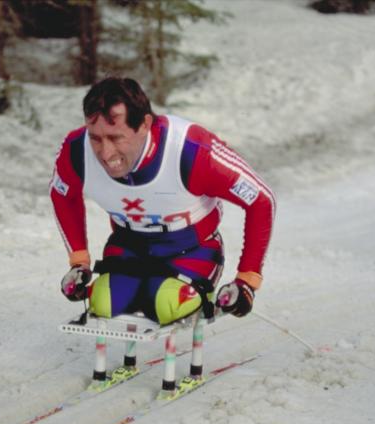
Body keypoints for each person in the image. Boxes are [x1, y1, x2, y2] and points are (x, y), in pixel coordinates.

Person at [50, 77, 275, 326]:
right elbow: (62, 195)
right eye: (95, 138)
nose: (105, 153)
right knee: (103, 304)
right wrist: (79, 262)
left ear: (145, 124)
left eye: (116, 138)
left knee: (167, 304)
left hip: (192, 247)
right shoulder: (76, 150)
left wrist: (247, 280)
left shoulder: (192, 151)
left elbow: (261, 200)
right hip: (129, 245)